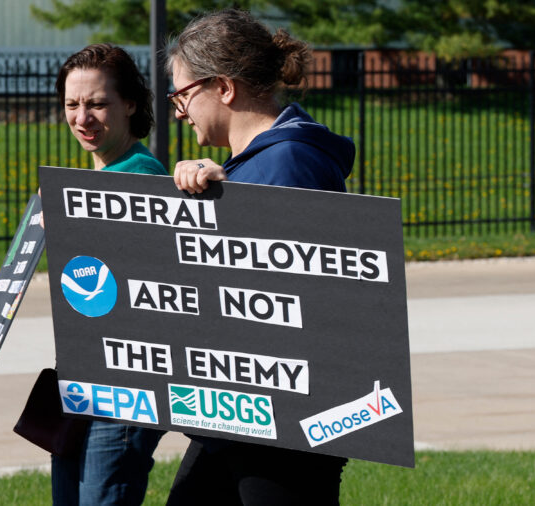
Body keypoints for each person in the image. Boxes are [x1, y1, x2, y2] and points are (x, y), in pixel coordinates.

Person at [165, 9, 354, 505]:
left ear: (224, 87)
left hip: (281, 429)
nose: (178, 111)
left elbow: (292, 295)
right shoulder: (253, 165)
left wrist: (236, 204)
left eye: (183, 95)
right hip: (239, 418)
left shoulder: (289, 163)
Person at [49, 43, 168, 506]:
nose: (83, 118)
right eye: (72, 105)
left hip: (125, 390)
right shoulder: (95, 181)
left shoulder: (140, 179)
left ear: (131, 104)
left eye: (97, 103)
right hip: (84, 379)